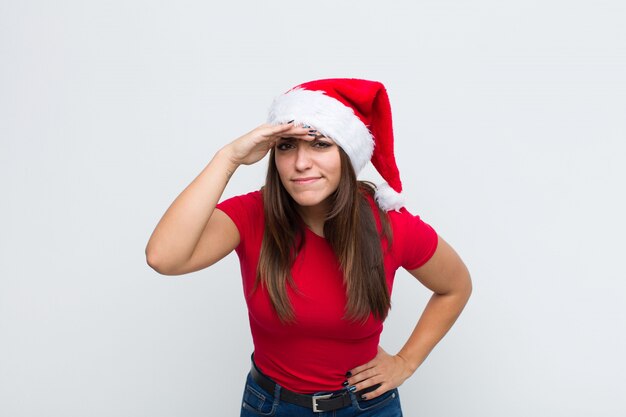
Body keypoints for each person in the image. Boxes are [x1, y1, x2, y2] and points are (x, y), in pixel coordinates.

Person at [145, 78, 472, 416]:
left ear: (347, 153)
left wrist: (405, 362)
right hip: (271, 406)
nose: (301, 163)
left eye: (320, 144)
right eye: (286, 146)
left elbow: (456, 287)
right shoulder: (252, 214)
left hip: (366, 408)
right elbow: (163, 257)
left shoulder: (390, 224)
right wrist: (228, 158)